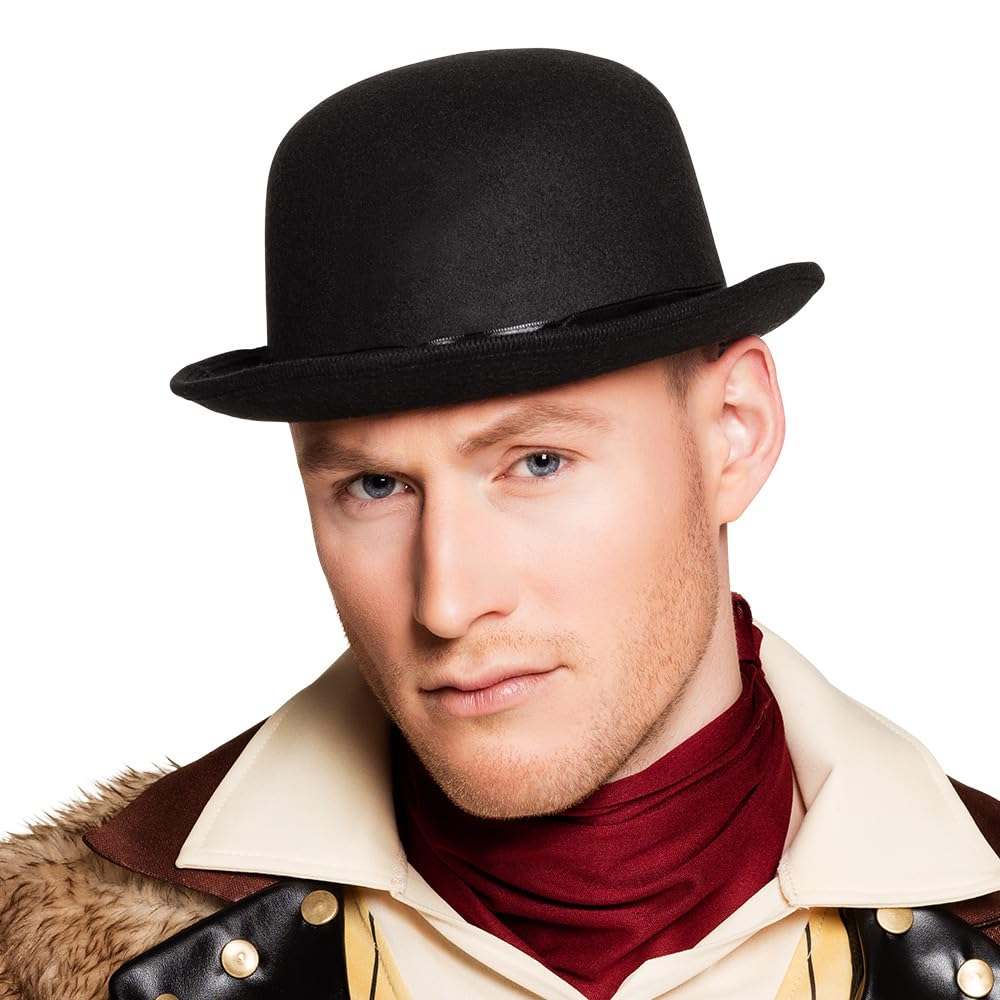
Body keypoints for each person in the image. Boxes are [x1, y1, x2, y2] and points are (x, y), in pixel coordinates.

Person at [2, 46, 1000, 1000]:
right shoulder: (77, 959)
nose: (447, 600)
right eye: (375, 486)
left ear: (732, 434)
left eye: (537, 463)